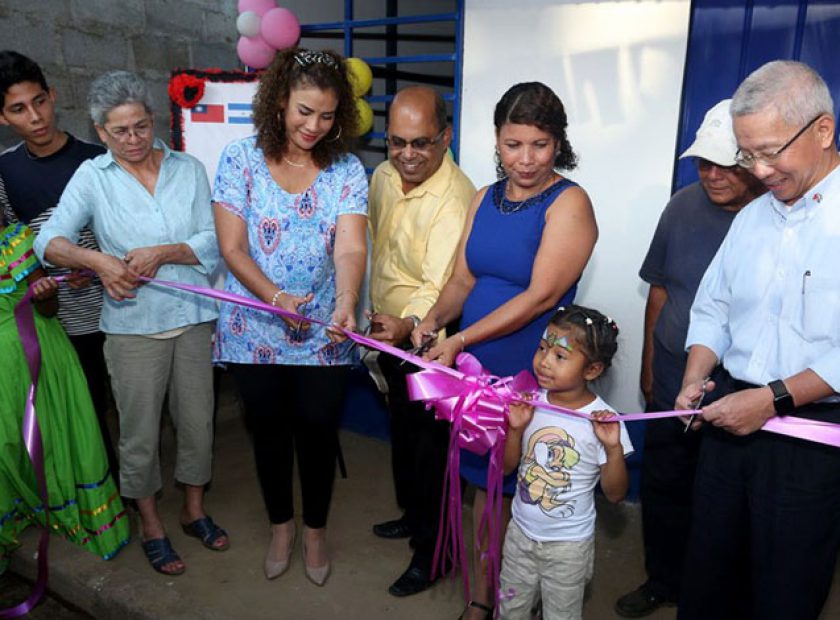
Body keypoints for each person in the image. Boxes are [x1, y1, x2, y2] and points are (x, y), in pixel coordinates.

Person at [414, 82, 598, 619]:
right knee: (483, 485)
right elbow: (463, 278)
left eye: (539, 145)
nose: (525, 158)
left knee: (532, 490)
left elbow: (541, 295)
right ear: (496, 140)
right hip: (474, 370)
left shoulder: (569, 203)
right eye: (513, 144)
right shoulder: (484, 198)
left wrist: (460, 339)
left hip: (532, 369)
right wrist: (432, 321)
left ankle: (533, 598)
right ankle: (484, 595)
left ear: (558, 143)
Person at [34, 70, 224, 577]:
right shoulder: (94, 178)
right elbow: (48, 239)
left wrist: (164, 252)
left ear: (154, 119)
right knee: (139, 432)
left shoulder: (189, 168)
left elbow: (212, 239)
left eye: (140, 126)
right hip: (133, 325)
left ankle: (193, 509)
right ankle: (150, 523)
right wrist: (99, 263)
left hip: (192, 318)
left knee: (197, 423)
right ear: (100, 131)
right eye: (120, 131)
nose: (133, 140)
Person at [676, 60, 840, 619]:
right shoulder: (752, 219)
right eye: (748, 154)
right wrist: (697, 375)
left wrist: (771, 399)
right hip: (728, 417)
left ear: (822, 130)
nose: (760, 169)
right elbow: (713, 306)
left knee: (784, 590)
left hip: (811, 436)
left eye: (772, 151)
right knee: (708, 577)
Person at [212, 48, 367, 587]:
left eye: (327, 116)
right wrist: (276, 297)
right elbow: (231, 248)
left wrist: (346, 300)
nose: (314, 126)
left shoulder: (347, 169)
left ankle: (316, 530)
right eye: (304, 111)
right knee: (270, 431)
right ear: (280, 100)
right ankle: (282, 525)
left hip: (325, 327)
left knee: (319, 430)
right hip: (254, 326)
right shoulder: (240, 158)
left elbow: (349, 249)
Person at [615, 99, 765, 617]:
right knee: (665, 487)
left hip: (744, 399)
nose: (712, 174)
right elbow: (660, 290)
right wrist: (650, 366)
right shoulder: (682, 205)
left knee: (729, 508)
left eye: (726, 163)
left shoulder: (773, 216)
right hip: (673, 383)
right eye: (704, 161)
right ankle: (663, 579)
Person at [366, 85, 476, 597]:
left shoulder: (456, 196)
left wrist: (409, 326)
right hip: (385, 335)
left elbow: (441, 283)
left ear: (446, 137)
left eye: (421, 143)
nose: (407, 155)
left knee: (431, 454)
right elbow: (374, 247)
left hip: (428, 343)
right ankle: (413, 518)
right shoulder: (383, 177)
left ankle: (435, 555)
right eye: (396, 142)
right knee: (404, 440)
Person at [0, 51, 118, 482]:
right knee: (79, 403)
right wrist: (37, 283)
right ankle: (95, 489)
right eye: (18, 109)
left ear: (52, 96)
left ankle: (131, 490)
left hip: (117, 309)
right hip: (55, 320)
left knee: (124, 401)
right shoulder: (6, 172)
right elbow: (13, 249)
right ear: (3, 116)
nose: (35, 116)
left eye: (40, 101)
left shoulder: (98, 158)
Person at [0, 199, 129, 566]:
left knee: (54, 436)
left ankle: (66, 513)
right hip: (2, 373)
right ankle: (26, 510)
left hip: (40, 357)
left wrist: (46, 294)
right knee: (8, 444)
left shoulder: (17, 240)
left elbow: (48, 309)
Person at [500, 305, 633, 619]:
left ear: (592, 370)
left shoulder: (603, 422)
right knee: (510, 610)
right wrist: (516, 430)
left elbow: (615, 495)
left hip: (568, 547)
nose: (544, 361)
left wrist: (612, 449)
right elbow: (506, 468)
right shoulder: (529, 402)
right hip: (520, 533)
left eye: (560, 356)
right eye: (543, 348)